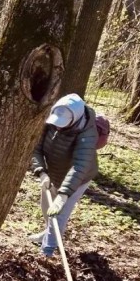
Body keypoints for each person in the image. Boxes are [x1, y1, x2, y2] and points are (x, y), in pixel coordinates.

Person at [29, 93, 98, 257]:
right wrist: (42, 172)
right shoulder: (51, 121)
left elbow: (80, 166)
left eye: (63, 124)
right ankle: (47, 233)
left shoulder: (86, 134)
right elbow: (35, 148)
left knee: (58, 214)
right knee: (46, 205)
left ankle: (47, 250)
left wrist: (64, 195)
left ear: (74, 119)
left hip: (77, 179)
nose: (58, 127)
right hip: (54, 172)